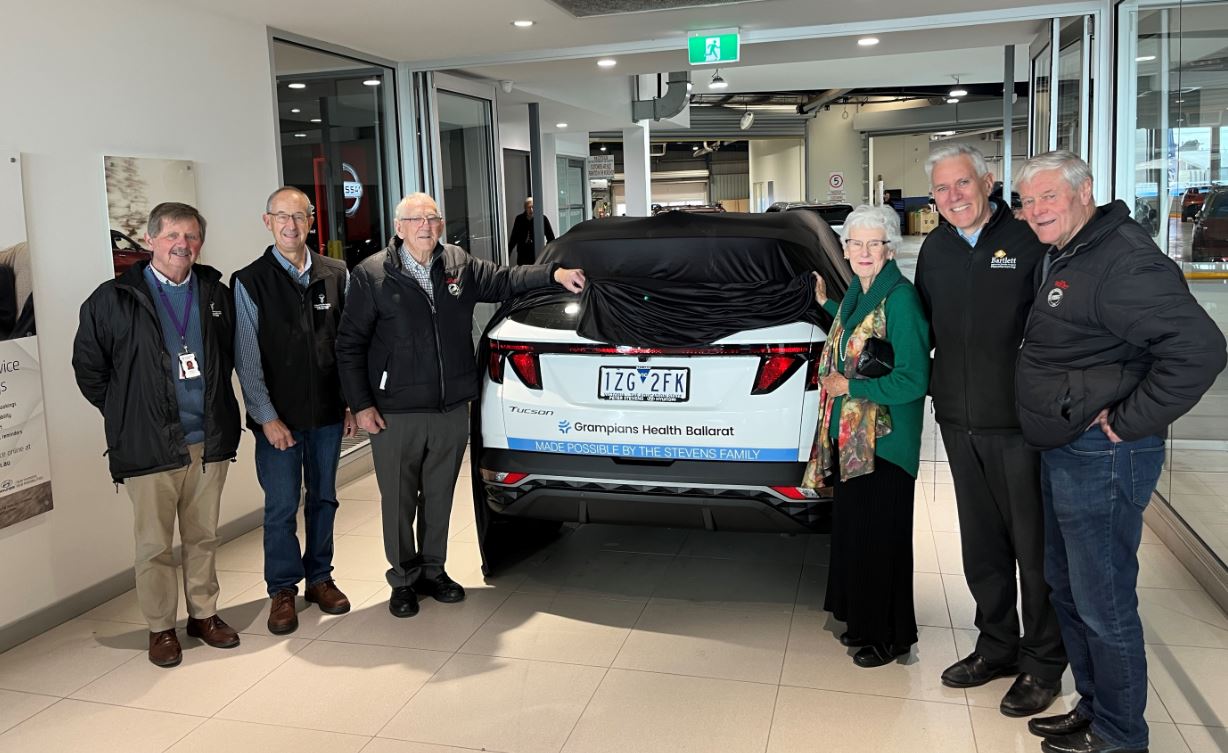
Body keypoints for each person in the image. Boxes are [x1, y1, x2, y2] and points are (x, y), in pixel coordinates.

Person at [1015, 151, 1226, 753]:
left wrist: (1130, 421)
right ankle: (1096, 708)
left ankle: (1121, 736)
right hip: (1067, 446)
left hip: (1101, 456)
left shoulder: (1123, 260)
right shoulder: (1073, 250)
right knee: (1071, 588)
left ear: (1085, 192)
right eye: (1028, 202)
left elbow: (1201, 351)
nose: (1036, 212)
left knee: (1104, 601)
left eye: (1049, 196)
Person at [335, 192, 586, 618]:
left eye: (433, 218)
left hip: (451, 406)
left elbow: (507, 279)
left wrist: (555, 274)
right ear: (399, 227)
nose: (426, 226)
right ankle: (403, 578)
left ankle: (434, 570)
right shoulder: (371, 274)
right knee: (399, 500)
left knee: (439, 496)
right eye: (416, 219)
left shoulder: (459, 264)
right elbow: (349, 345)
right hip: (395, 410)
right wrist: (361, 405)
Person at [914, 144, 1067, 716]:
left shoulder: (1029, 239)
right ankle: (997, 645)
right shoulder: (934, 248)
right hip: (958, 419)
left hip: (1020, 424)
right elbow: (925, 325)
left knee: (1034, 547)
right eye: (941, 190)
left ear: (988, 181)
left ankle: (1043, 661)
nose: (953, 198)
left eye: (962, 184)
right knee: (982, 544)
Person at [73, 202, 243, 667]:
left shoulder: (215, 292)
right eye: (171, 236)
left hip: (207, 440)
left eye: (190, 237)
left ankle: (204, 615)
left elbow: (230, 355)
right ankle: (160, 628)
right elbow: (89, 370)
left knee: (203, 536)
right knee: (153, 545)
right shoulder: (112, 299)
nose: (181, 245)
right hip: (150, 445)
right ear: (150, 240)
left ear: (200, 244)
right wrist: (128, 415)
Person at [805, 204, 931, 668]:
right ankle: (863, 624)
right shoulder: (862, 293)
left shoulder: (899, 298)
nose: (863, 251)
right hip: (857, 442)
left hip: (886, 445)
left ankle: (887, 637)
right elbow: (856, 325)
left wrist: (849, 385)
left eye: (873, 243)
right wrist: (824, 303)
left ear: (890, 248)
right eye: (855, 243)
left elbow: (915, 379)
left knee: (882, 541)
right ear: (844, 249)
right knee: (860, 536)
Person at [232, 187, 356, 635]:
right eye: (281, 217)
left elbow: (347, 346)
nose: (291, 225)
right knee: (282, 506)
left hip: (326, 414)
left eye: (299, 217)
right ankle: (282, 588)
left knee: (324, 498)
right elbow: (246, 359)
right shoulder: (248, 281)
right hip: (277, 422)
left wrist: (349, 403)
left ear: (311, 222)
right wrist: (266, 417)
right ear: (268, 222)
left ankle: (320, 578)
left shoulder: (336, 273)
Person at [508, 196, 555, 265]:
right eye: (529, 207)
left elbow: (551, 238)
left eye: (533, 207)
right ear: (525, 208)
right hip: (522, 254)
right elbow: (514, 238)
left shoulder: (542, 219)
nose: (531, 210)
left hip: (537, 253)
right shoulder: (519, 219)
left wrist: (545, 252)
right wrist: (508, 253)